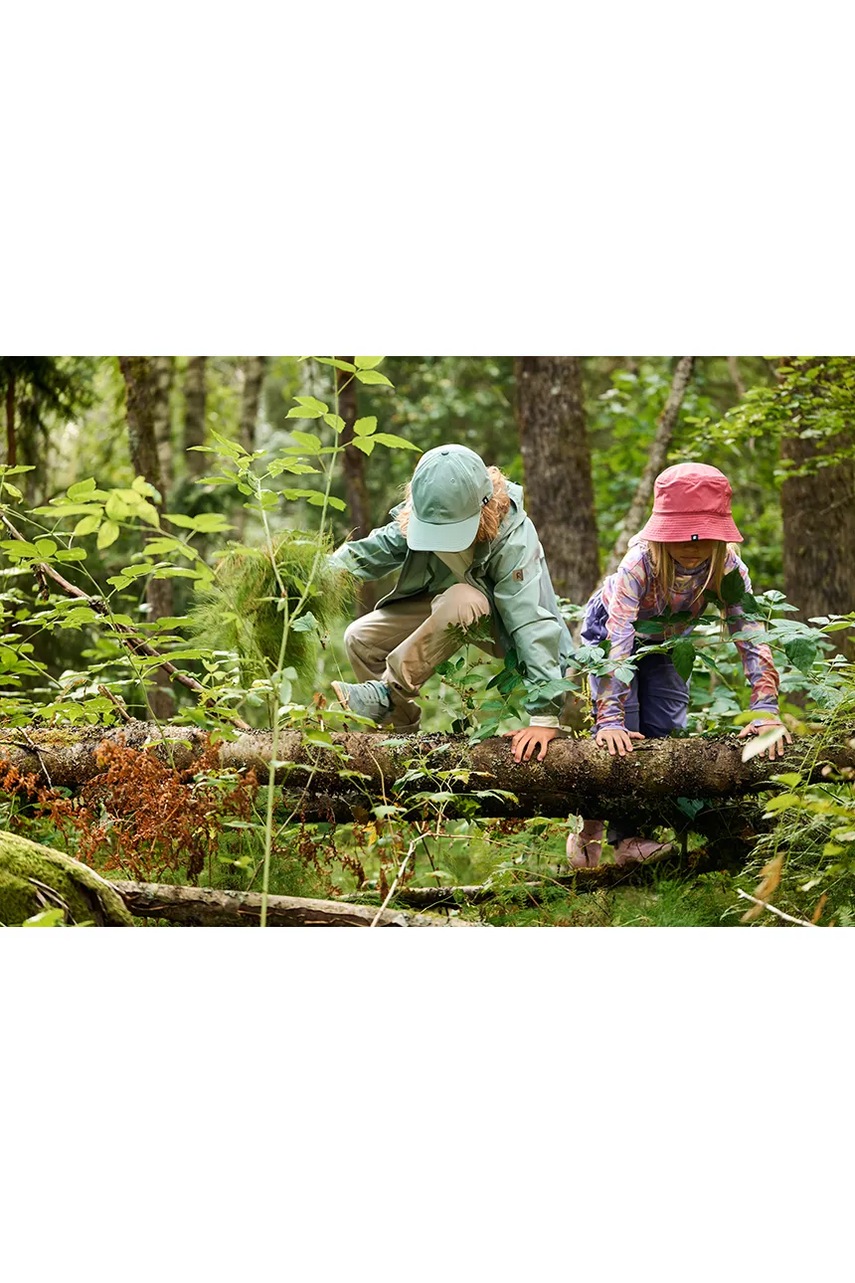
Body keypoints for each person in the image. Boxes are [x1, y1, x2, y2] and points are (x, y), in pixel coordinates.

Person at [567, 461, 793, 868]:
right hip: (612, 638)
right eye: (683, 533)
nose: (692, 542)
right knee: (622, 732)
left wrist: (766, 709)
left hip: (670, 640)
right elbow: (618, 638)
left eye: (704, 533)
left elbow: (749, 633)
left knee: (666, 725)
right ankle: (596, 826)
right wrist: (612, 716)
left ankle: (634, 835)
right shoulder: (639, 564)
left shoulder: (726, 567)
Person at [329, 443, 573, 759]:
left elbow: (531, 621)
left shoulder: (514, 539)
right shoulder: (423, 512)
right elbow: (369, 552)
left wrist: (544, 715)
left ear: (485, 507)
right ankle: (398, 744)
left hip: (502, 626)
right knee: (360, 638)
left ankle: (387, 692)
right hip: (444, 606)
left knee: (462, 598)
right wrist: (318, 572)